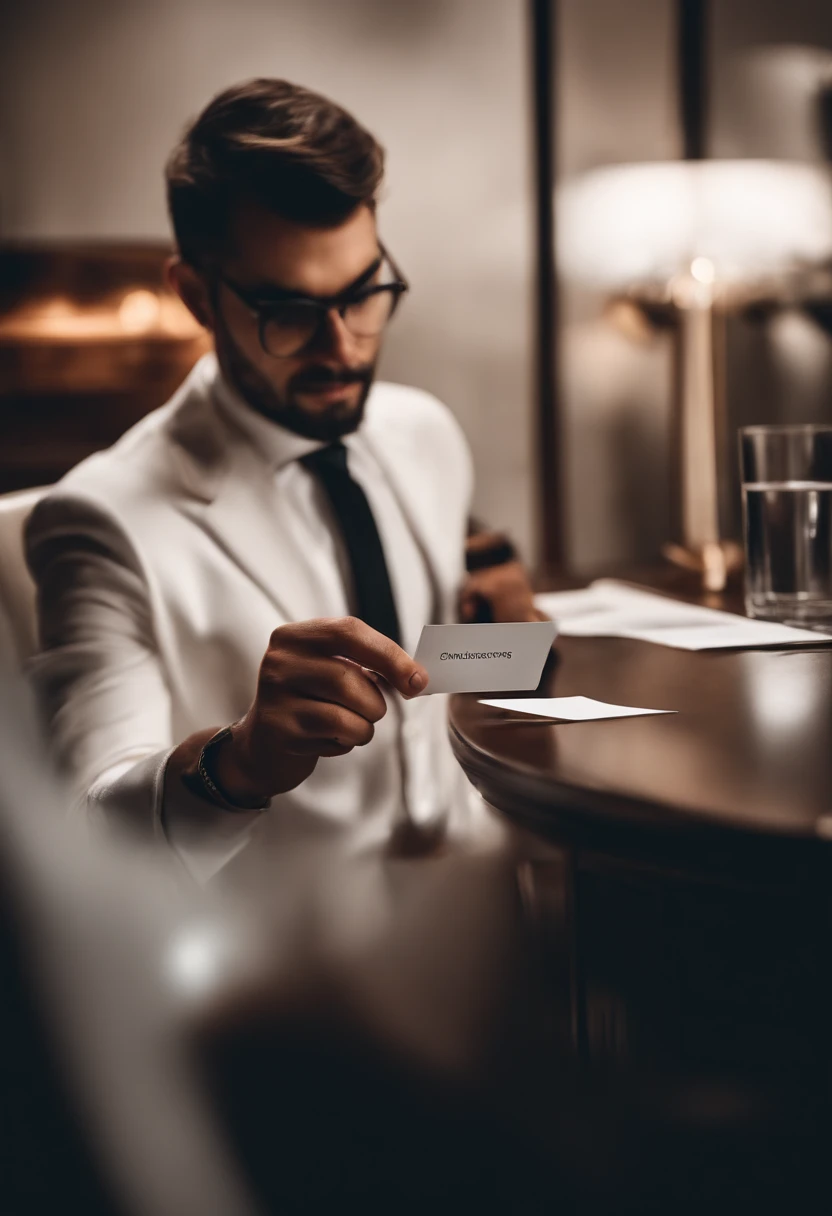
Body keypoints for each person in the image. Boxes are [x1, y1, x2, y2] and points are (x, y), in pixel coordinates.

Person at [25, 78, 542, 882]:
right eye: (289, 310)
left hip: (479, 913)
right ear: (197, 295)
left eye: (364, 292)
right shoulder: (98, 518)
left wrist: (515, 646)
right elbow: (88, 831)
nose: (342, 347)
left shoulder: (425, 433)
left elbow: (415, 680)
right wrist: (240, 762)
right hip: (274, 974)